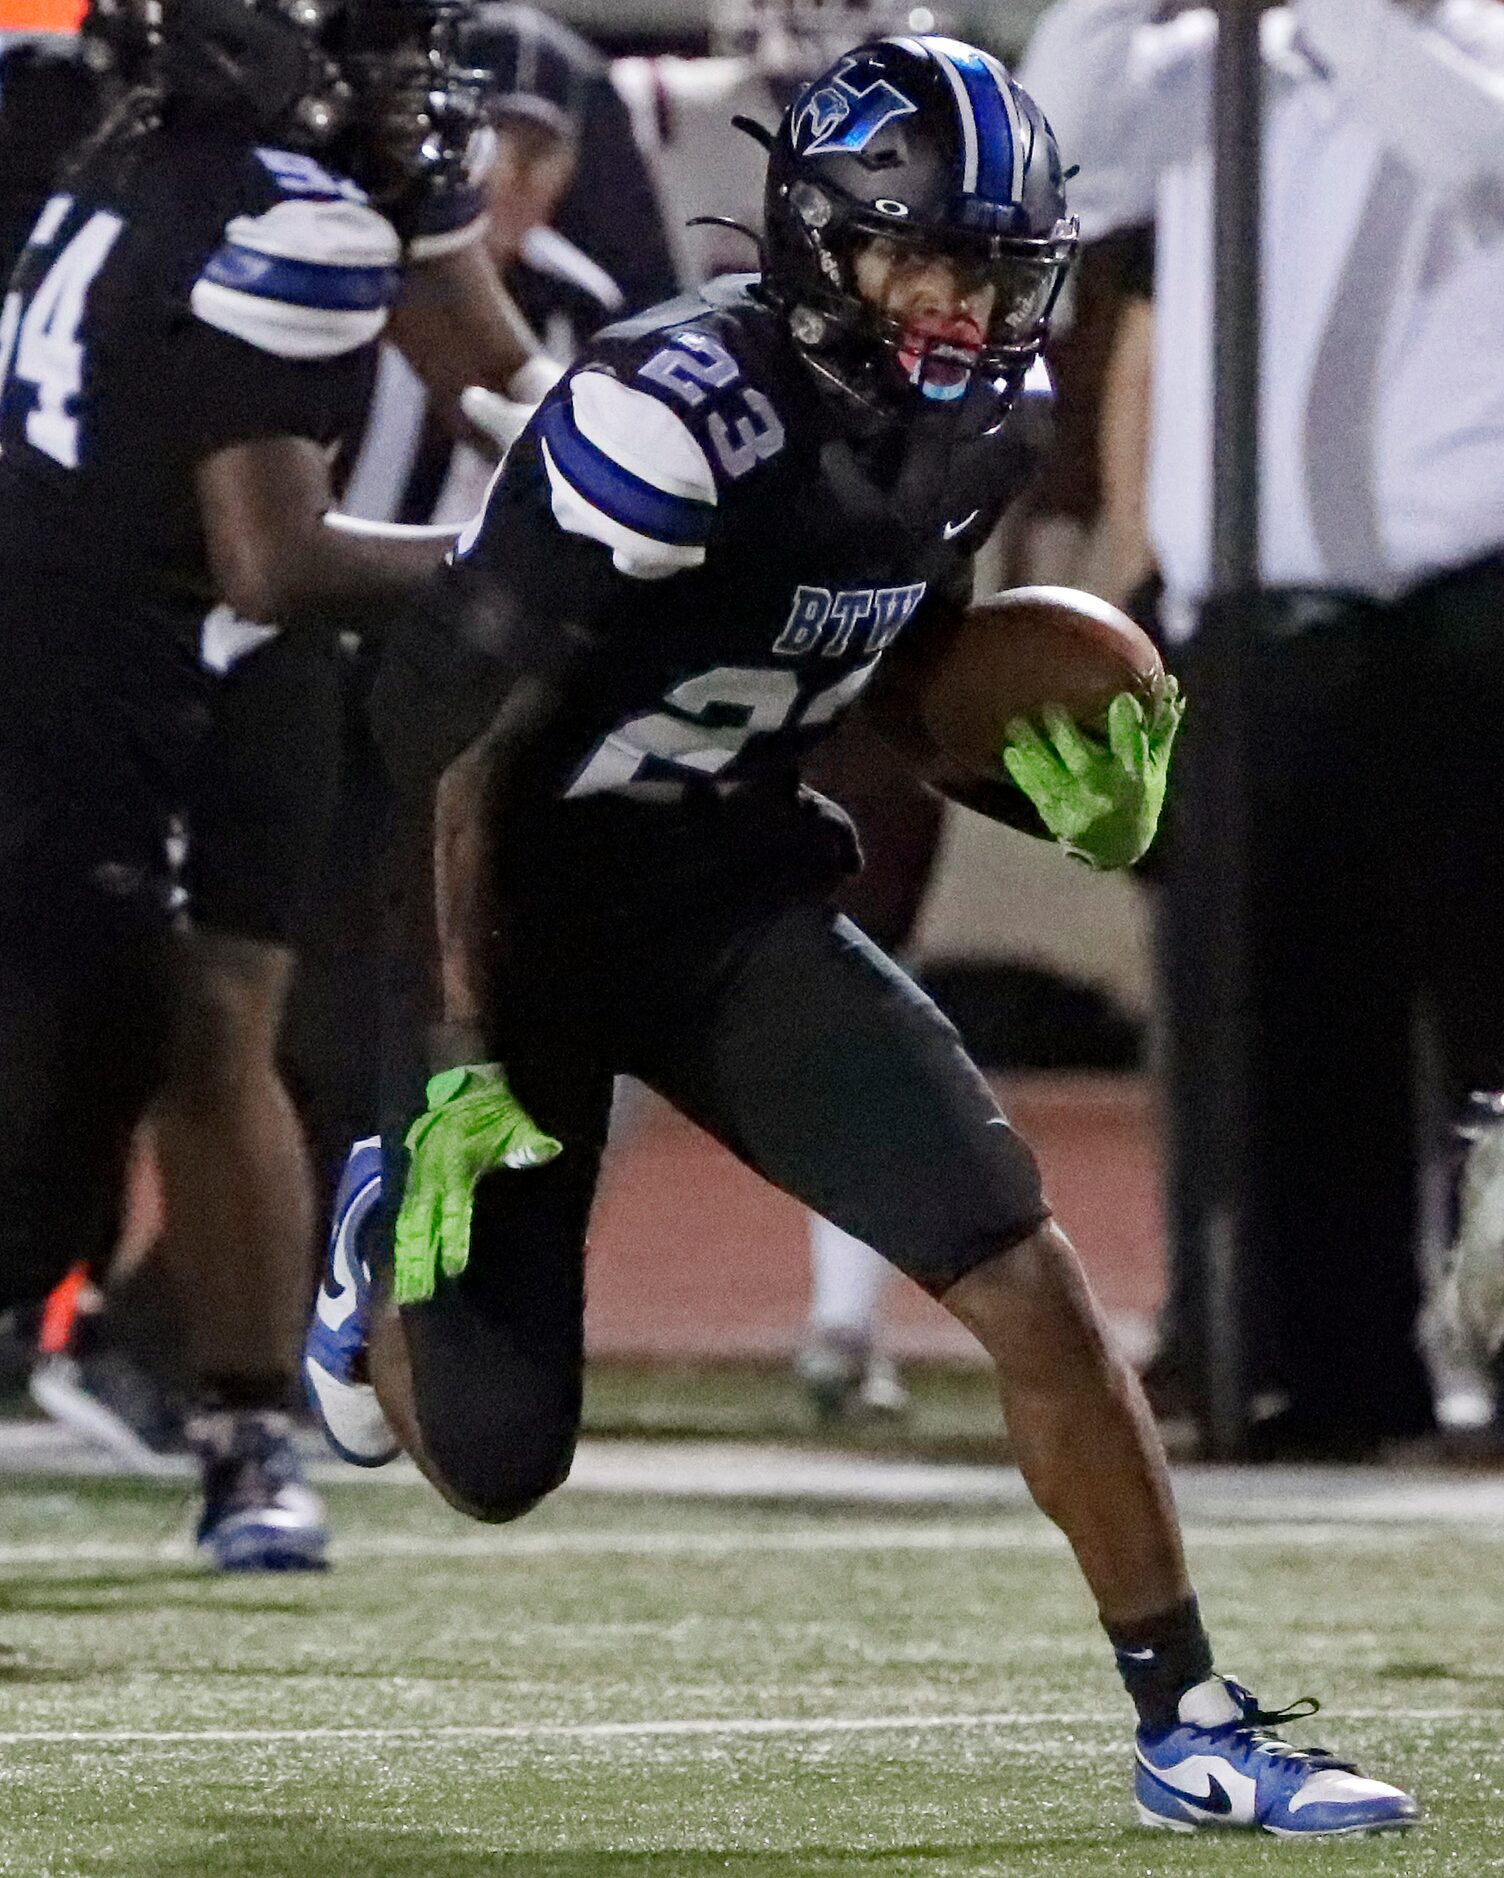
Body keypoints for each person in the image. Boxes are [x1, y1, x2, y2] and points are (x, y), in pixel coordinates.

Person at [306, 34, 1414, 1834]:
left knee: (1023, 1272)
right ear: (825, 243)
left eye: (1003, 262)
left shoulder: (986, 419)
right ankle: (374, 1248)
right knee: (498, 1461)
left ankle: (1192, 1718)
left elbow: (892, 678)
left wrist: (1034, 782)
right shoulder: (669, 421)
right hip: (510, 890)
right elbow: (451, 736)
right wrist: (451, 1043)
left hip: (726, 891)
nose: (974, 302)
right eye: (935, 256)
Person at [0, 0, 489, 1564]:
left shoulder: (269, 180)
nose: (404, 83)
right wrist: (549, 564)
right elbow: (275, 552)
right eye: (368, 44)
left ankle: (243, 1422)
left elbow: (489, 362)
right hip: (81, 630)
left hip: (224, 644)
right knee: (79, 1041)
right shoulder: (243, 201)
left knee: (228, 1028)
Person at [1022, 0, 1504, 1456]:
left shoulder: (1464, 46)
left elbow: (1470, 148)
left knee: (1492, 1022)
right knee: (1278, 1018)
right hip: (1252, 620)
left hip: (1460, 610)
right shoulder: (1223, 74)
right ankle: (1324, 1369)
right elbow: (1057, 165)